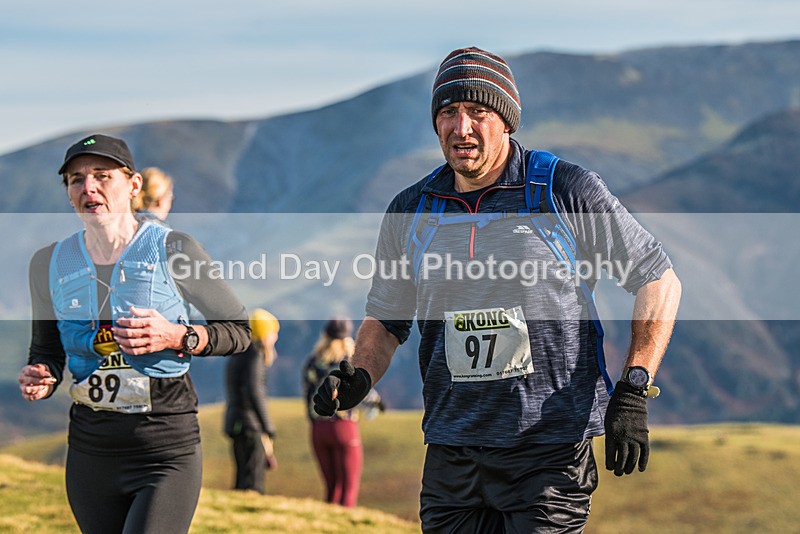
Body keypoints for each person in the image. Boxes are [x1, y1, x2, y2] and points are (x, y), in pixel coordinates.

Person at [313, 47, 682, 532]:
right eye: (448, 113)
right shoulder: (411, 210)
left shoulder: (564, 190)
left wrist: (634, 388)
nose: (461, 127)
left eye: (478, 113)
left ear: (506, 121)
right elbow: (386, 317)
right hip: (452, 450)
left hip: (547, 452)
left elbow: (658, 278)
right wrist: (359, 376)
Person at [18, 133, 251, 534]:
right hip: (90, 454)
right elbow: (47, 349)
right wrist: (42, 374)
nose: (88, 187)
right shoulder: (48, 263)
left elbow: (239, 331)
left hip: (164, 452)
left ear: (134, 186)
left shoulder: (175, 248)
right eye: (75, 179)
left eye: (102, 176)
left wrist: (177, 336)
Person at [303, 318, 383, 507]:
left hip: (318, 428)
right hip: (343, 427)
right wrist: (378, 403)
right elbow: (363, 392)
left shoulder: (313, 362)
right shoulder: (347, 361)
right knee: (348, 488)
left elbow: (307, 394)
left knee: (332, 488)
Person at [224, 308, 279, 494]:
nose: (275, 338)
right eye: (273, 333)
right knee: (253, 479)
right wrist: (267, 426)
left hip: (237, 422)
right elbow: (255, 392)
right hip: (250, 425)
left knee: (241, 476)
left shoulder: (239, 354)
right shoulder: (254, 357)